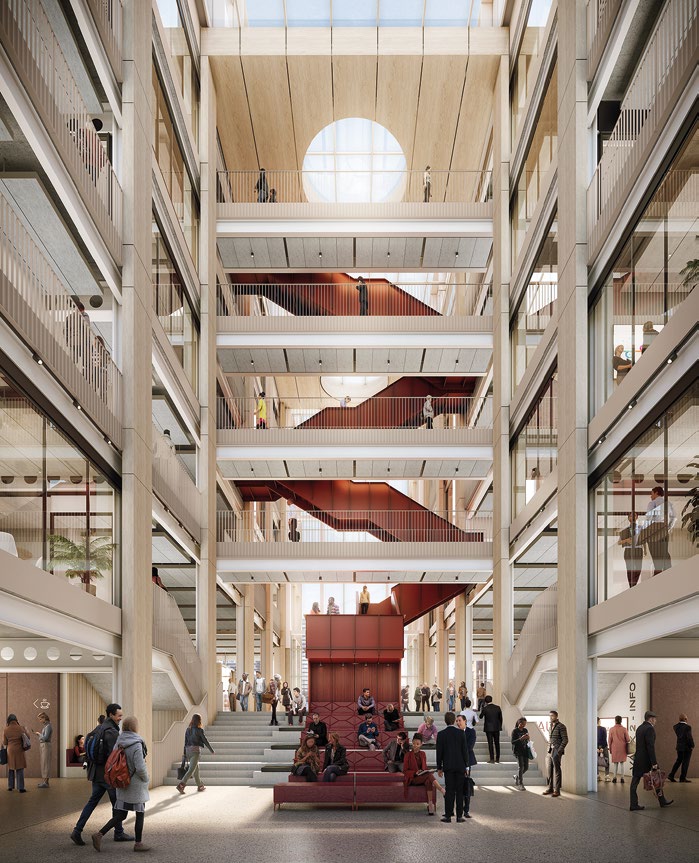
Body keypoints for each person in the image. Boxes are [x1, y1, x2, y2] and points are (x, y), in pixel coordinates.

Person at [71, 704, 133, 845]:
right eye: (119, 715)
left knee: (92, 802)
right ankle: (118, 833)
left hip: (96, 773)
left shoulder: (97, 728)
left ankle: (77, 831)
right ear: (111, 715)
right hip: (107, 775)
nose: (120, 718)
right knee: (117, 804)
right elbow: (114, 756)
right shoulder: (111, 732)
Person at [91, 715, 149, 852]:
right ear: (135, 727)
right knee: (140, 813)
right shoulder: (136, 743)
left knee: (121, 815)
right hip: (135, 785)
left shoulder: (119, 741)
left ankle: (99, 834)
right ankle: (138, 844)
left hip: (122, 783)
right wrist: (146, 778)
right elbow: (140, 767)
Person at [630, 710, 673, 810]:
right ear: (651, 719)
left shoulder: (640, 728)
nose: (656, 720)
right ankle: (662, 801)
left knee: (634, 782)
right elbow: (650, 747)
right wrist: (654, 763)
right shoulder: (650, 729)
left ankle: (633, 804)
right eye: (655, 718)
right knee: (657, 779)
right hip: (647, 760)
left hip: (638, 759)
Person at [437, 711, 469, 822]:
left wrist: (439, 767)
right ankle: (459, 816)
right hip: (460, 766)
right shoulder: (461, 733)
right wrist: (466, 766)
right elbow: (465, 751)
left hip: (448, 767)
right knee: (459, 791)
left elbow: (439, 752)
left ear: (445, 721)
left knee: (449, 791)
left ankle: (448, 816)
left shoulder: (441, 734)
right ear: (454, 720)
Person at [403, 732, 444, 815]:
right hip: (413, 778)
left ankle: (430, 804)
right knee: (429, 776)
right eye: (413, 743)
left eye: (417, 744)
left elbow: (424, 768)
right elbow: (405, 771)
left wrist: (428, 770)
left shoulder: (423, 754)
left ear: (421, 744)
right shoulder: (407, 755)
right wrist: (415, 772)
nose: (415, 745)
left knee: (428, 780)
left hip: (422, 777)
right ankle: (442, 790)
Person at [176, 713, 215, 794]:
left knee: (196, 770)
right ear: (199, 721)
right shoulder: (199, 730)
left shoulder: (188, 729)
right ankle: (181, 785)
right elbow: (205, 741)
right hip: (195, 752)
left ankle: (200, 786)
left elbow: (185, 742)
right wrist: (211, 750)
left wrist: (184, 753)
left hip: (188, 751)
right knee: (191, 770)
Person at [640, 487, 675, 574]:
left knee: (655, 555)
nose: (650, 496)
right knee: (664, 552)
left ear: (656, 493)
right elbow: (674, 517)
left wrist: (644, 529)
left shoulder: (652, 503)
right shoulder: (669, 504)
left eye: (651, 493)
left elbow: (649, 518)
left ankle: (658, 575)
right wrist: (668, 527)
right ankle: (668, 573)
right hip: (664, 529)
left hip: (654, 530)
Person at [543, 710, 568, 798]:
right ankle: (550, 788)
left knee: (557, 770)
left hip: (556, 750)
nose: (550, 717)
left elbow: (565, 740)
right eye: (550, 716)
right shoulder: (550, 726)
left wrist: (559, 751)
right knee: (549, 770)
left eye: (552, 716)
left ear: (556, 716)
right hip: (549, 750)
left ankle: (557, 790)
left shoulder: (561, 726)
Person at [456, 713, 477, 815]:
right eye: (456, 721)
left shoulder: (471, 732)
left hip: (466, 762)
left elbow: (469, 747)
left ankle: (466, 810)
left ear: (465, 721)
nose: (458, 723)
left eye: (459, 720)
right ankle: (458, 809)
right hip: (456, 762)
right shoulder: (455, 733)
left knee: (466, 785)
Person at [3, 714, 28, 793]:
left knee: (11, 768)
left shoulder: (6, 729)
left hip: (10, 750)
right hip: (19, 750)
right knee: (20, 768)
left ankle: (10, 786)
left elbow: (5, 742)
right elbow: (28, 738)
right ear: (16, 720)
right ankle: (21, 788)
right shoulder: (21, 728)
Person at [668, 713, 694, 783]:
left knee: (679, 761)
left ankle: (671, 775)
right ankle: (682, 778)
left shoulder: (676, 727)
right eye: (687, 718)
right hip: (687, 748)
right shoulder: (688, 727)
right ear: (686, 719)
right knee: (685, 762)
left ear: (679, 719)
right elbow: (689, 738)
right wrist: (692, 745)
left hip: (679, 747)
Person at [619, 513, 643, 588]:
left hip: (638, 550)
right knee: (629, 569)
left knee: (638, 569)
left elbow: (644, 539)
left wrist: (645, 551)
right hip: (628, 551)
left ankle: (633, 586)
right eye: (630, 516)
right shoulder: (624, 530)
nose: (632, 517)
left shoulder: (641, 528)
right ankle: (632, 587)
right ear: (628, 518)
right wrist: (626, 540)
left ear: (637, 517)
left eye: (634, 516)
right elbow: (619, 542)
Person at [480, 695, 503, 763]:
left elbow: (481, 717)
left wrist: (482, 708)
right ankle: (498, 759)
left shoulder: (485, 708)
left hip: (488, 728)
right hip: (496, 728)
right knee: (497, 743)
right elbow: (500, 718)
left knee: (490, 744)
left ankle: (492, 759)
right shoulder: (497, 707)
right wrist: (499, 726)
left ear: (486, 701)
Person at [607, 715, 630, 784]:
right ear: (621, 721)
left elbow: (609, 740)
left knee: (615, 764)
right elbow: (628, 739)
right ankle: (622, 778)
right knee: (622, 763)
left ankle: (614, 778)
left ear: (615, 721)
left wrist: (610, 749)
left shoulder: (611, 729)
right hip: (622, 748)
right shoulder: (624, 729)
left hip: (615, 748)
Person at [511, 717, 531, 789]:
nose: (523, 725)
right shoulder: (515, 731)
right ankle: (520, 784)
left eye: (525, 724)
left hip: (525, 750)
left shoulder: (525, 730)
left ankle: (516, 776)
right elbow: (512, 742)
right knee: (521, 767)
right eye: (522, 724)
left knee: (526, 767)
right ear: (519, 723)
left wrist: (528, 738)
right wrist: (520, 739)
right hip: (518, 751)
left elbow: (527, 740)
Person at [35, 711, 52, 788]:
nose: (40, 721)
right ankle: (45, 781)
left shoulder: (48, 726)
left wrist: (39, 734)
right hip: (43, 745)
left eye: (40, 719)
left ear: (44, 718)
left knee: (45, 763)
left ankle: (46, 782)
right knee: (44, 763)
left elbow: (45, 738)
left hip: (46, 745)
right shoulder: (46, 726)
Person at [597, 718, 610, 782]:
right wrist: (601, 748)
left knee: (596, 762)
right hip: (604, 747)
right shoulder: (603, 729)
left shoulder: (592, 729)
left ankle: (597, 776)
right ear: (599, 721)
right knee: (606, 760)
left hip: (596, 747)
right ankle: (607, 776)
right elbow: (604, 738)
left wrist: (597, 748)